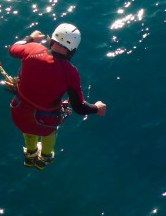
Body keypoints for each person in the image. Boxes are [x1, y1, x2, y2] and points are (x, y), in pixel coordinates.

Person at [7, 23, 106, 169]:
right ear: (72, 51)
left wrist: (30, 38)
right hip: (44, 124)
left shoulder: (32, 49)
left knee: (28, 125)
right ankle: (44, 158)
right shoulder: (70, 72)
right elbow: (79, 107)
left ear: (51, 40)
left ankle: (30, 154)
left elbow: (13, 49)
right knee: (49, 129)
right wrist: (97, 108)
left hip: (18, 113)